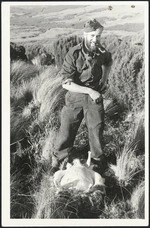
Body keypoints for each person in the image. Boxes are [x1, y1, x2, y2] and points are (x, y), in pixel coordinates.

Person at [52, 18, 113, 174]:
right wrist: (90, 91)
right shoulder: (74, 53)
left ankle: (97, 163)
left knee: (96, 129)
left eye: (98, 36)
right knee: (67, 129)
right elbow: (66, 83)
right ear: (84, 34)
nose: (95, 39)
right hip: (75, 96)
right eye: (92, 36)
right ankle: (60, 159)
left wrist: (104, 79)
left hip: (94, 97)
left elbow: (108, 61)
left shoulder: (101, 51)